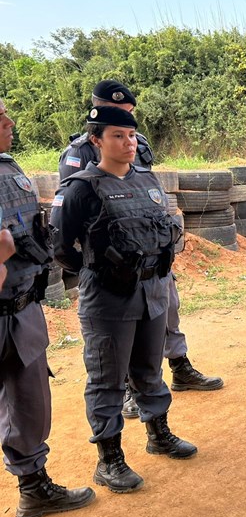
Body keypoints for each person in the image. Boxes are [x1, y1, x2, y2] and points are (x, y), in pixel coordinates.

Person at [51, 106, 197, 493]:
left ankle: (159, 434)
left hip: (153, 293)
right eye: (117, 135)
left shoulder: (147, 180)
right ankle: (109, 459)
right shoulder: (80, 188)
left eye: (131, 135)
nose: (128, 142)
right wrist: (101, 271)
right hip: (109, 299)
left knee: (149, 370)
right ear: (96, 140)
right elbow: (62, 248)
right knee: (108, 380)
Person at [59, 80, 223, 420]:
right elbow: (65, 232)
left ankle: (177, 370)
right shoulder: (80, 157)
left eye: (130, 121)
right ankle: (124, 397)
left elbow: (147, 196)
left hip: (151, 270)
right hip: (112, 281)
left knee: (164, 321)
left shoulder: (139, 150)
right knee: (112, 360)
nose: (128, 137)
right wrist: (98, 268)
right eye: (118, 125)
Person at [0, 97, 95, 517]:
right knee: (24, 400)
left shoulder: (8, 167)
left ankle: (34, 487)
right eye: (0, 116)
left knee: (28, 400)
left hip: (21, 306)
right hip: (8, 306)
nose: (9, 121)